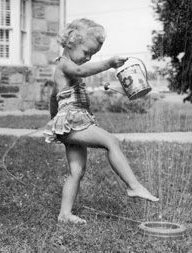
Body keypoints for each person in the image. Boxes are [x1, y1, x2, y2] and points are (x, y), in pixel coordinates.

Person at [43, 18, 159, 224]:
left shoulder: (68, 70)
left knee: (76, 171)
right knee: (111, 141)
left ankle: (64, 214)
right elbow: (81, 71)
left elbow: (54, 95)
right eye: (86, 52)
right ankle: (133, 186)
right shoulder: (65, 65)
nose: (88, 58)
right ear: (70, 42)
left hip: (70, 123)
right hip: (73, 122)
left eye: (92, 55)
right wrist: (108, 63)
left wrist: (54, 121)